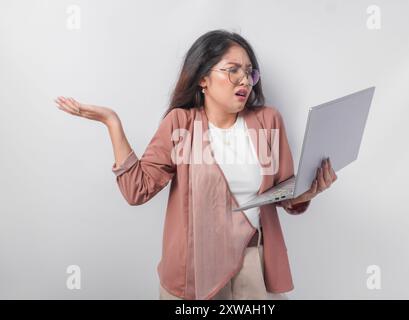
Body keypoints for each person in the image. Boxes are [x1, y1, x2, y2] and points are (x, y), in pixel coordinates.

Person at [54, 29, 337, 300]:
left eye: (249, 72)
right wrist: (111, 122)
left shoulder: (268, 120)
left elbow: (282, 192)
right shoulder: (180, 123)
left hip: (253, 264)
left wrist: (308, 191)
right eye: (232, 70)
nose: (245, 80)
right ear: (203, 78)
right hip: (194, 270)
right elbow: (135, 190)